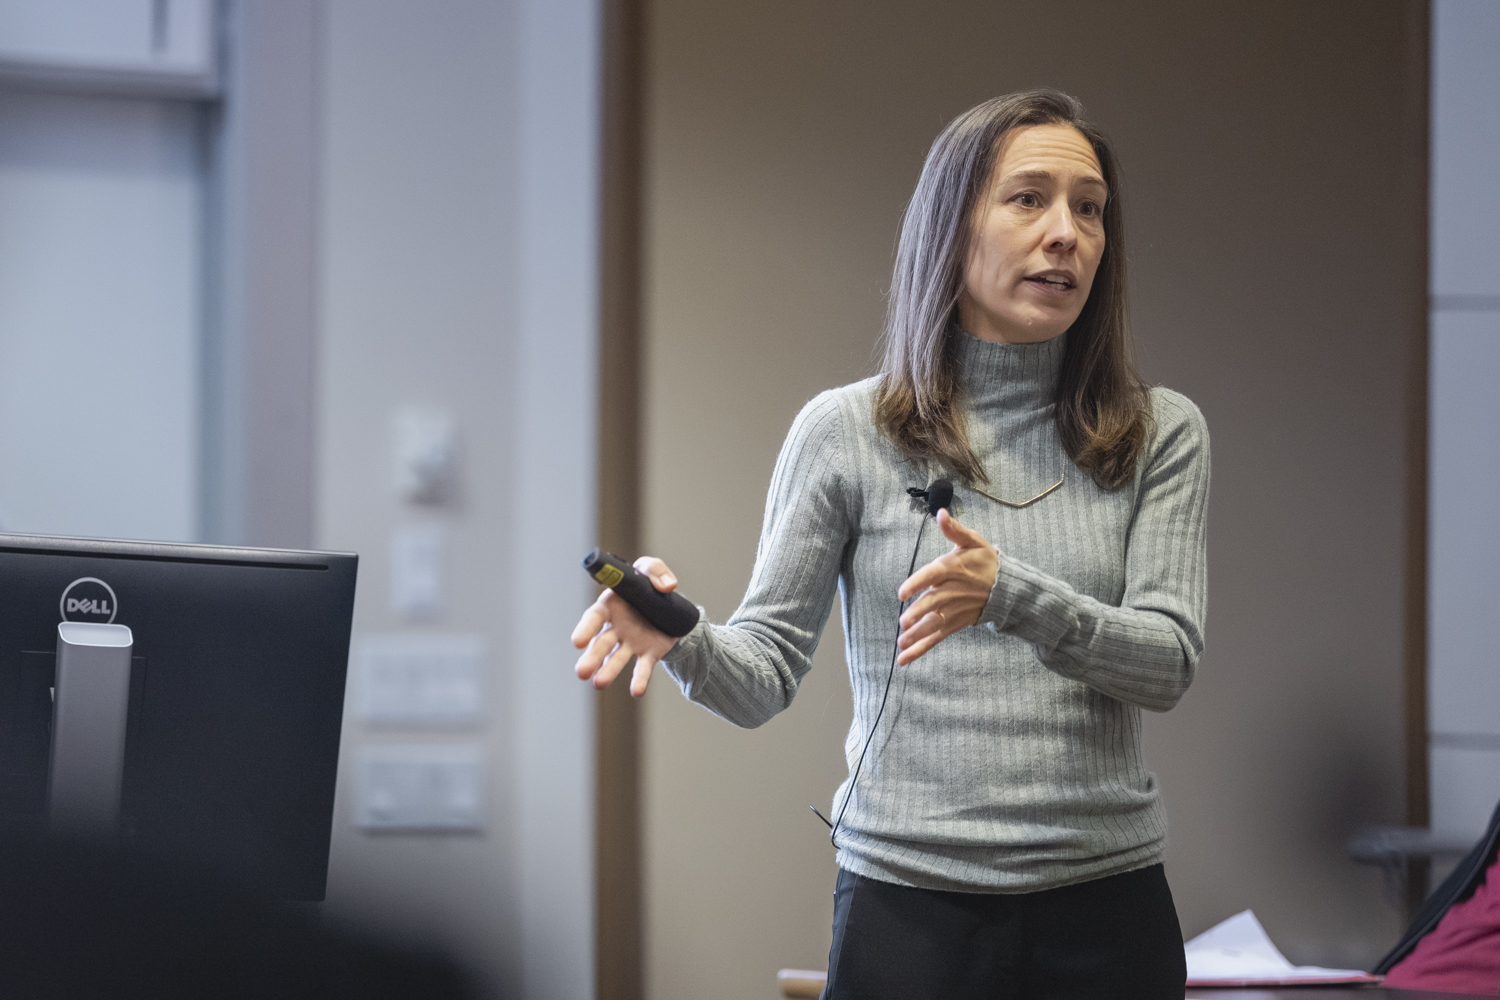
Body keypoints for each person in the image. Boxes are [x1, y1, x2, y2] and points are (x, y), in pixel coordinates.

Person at [571, 88, 1208, 999]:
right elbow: (760, 681)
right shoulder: (845, 431)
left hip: (1107, 912)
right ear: (953, 229)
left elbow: (1169, 664)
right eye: (1029, 198)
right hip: (909, 914)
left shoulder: (1160, 431)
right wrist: (682, 636)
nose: (1066, 232)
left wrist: (1011, 595)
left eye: (1090, 208)